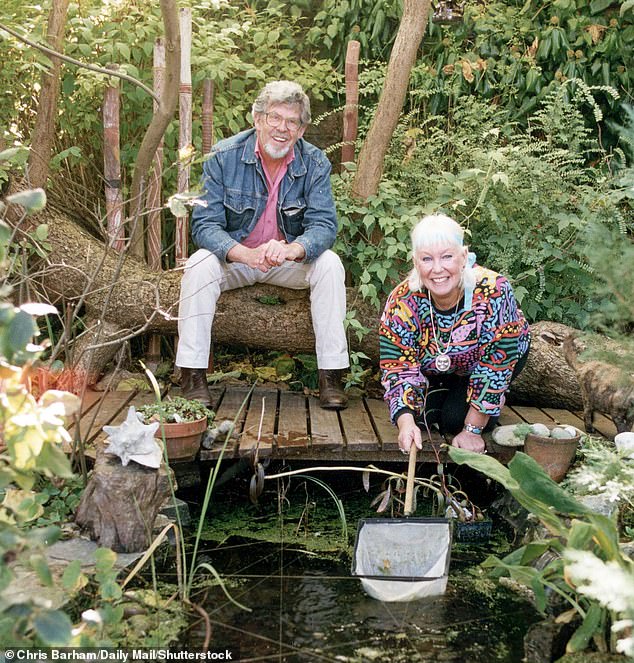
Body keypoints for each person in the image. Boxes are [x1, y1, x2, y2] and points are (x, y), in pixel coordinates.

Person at [176, 80, 349, 410]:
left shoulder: (314, 163)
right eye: (274, 118)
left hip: (286, 259)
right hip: (238, 257)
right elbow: (204, 224)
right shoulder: (223, 157)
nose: (282, 128)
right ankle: (193, 375)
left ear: (301, 129)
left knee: (329, 264)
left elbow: (324, 226)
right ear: (257, 119)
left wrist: (292, 249)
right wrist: (245, 254)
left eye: (292, 121)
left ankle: (331, 376)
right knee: (198, 264)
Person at [379, 214, 530, 454]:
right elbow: (397, 367)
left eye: (447, 256)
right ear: (416, 262)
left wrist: (471, 431)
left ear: (463, 256)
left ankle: (489, 403)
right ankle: (452, 392)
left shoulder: (494, 291)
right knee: (419, 416)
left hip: (494, 360)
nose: (437, 269)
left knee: (453, 420)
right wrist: (406, 424)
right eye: (427, 259)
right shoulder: (402, 301)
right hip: (444, 364)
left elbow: (496, 364)